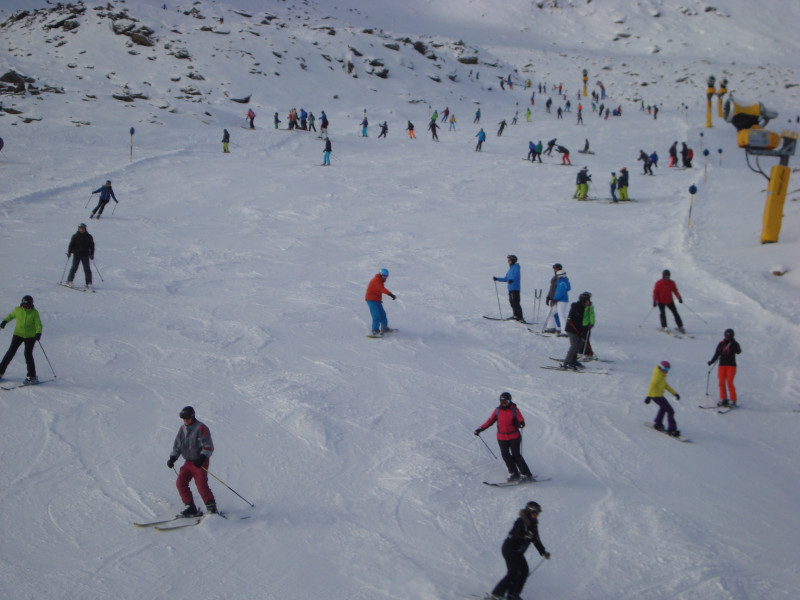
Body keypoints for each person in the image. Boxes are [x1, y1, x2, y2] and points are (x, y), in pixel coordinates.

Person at [487, 500, 550, 600]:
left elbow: (536, 539)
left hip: (519, 552)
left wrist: (543, 551)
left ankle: (513, 594)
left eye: (537, 514)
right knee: (513, 573)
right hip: (510, 549)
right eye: (535, 513)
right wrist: (524, 535)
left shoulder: (533, 525)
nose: (536, 516)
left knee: (524, 572)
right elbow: (514, 534)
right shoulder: (520, 522)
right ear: (529, 512)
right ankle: (496, 595)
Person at [167, 406, 217, 516]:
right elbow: (177, 446)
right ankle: (190, 506)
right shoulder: (182, 429)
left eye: (187, 418)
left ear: (192, 417)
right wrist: (173, 458)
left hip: (200, 462)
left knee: (201, 484)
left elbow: (208, 446)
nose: (185, 421)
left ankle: (211, 508)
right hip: (188, 462)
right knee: (180, 482)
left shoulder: (201, 428)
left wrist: (202, 457)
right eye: (183, 419)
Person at [474, 392, 533, 482]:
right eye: (502, 402)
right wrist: (480, 428)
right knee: (505, 455)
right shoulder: (497, 410)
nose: (504, 403)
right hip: (502, 437)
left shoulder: (514, 410)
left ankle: (526, 474)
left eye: (506, 402)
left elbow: (520, 418)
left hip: (514, 436)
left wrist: (521, 423)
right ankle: (513, 473)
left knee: (516, 455)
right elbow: (490, 421)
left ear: (509, 401)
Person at [0, 295, 42, 384]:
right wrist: (5, 321)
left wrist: (38, 333)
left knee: (27, 354)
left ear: (31, 305)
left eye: (27, 306)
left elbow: (38, 324)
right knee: (10, 353)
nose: (25, 307)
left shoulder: (34, 313)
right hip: (18, 334)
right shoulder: (17, 310)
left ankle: (32, 376)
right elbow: (11, 315)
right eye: (23, 305)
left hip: (30, 336)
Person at [644, 361, 681, 437]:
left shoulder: (661, 375)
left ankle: (658, 423)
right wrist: (648, 396)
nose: (666, 371)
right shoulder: (657, 375)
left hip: (658, 395)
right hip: (656, 396)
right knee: (670, 411)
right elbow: (652, 385)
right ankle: (672, 430)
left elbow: (666, 385)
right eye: (665, 368)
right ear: (660, 367)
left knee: (663, 408)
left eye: (667, 369)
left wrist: (674, 393)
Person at [708, 329, 742, 407]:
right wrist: (711, 361)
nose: (728, 337)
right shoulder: (721, 344)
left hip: (731, 366)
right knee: (721, 383)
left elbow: (739, 351)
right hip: (722, 365)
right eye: (727, 335)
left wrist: (734, 344)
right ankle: (723, 399)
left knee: (730, 383)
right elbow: (716, 354)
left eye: (730, 336)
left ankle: (733, 400)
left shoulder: (734, 343)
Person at [562, 292, 594, 369]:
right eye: (587, 301)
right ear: (583, 301)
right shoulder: (576, 307)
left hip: (580, 330)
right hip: (572, 329)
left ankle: (573, 360)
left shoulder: (586, 308)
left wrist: (589, 325)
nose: (588, 302)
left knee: (579, 345)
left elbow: (588, 318)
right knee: (574, 345)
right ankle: (567, 362)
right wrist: (578, 328)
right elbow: (572, 319)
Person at [365, 268, 396, 336]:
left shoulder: (380, 280)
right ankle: (375, 330)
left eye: (386, 276)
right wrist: (390, 294)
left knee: (383, 315)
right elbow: (381, 289)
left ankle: (384, 328)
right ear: (381, 274)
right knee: (376, 315)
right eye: (384, 276)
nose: (385, 277)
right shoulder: (377, 280)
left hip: (377, 300)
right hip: (371, 300)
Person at [494, 255, 523, 322]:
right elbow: (506, 279)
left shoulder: (516, 267)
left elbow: (516, 275)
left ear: (513, 260)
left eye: (509, 260)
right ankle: (515, 315)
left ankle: (519, 317)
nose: (508, 262)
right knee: (512, 302)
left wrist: (512, 279)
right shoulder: (510, 269)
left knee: (516, 302)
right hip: (510, 289)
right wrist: (497, 279)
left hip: (515, 288)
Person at [65, 223, 95, 290]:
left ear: (85, 229)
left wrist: (92, 254)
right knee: (74, 267)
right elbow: (71, 245)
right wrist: (69, 252)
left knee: (87, 269)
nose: (81, 230)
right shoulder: (75, 236)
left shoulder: (89, 237)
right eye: (80, 228)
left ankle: (88, 282)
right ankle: (69, 281)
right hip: (77, 254)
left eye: (83, 228)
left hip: (85, 255)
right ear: (78, 229)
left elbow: (92, 247)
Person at [542, 263, 562, 333]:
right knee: (553, 313)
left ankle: (555, 327)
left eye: (556, 268)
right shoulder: (554, 278)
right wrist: (548, 297)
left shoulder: (561, 278)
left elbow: (560, 290)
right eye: (554, 269)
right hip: (552, 299)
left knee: (551, 313)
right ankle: (554, 327)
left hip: (557, 300)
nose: (555, 270)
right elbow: (551, 289)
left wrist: (556, 298)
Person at [552, 270, 570, 336]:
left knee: (561, 315)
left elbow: (560, 293)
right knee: (551, 312)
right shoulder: (561, 282)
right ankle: (551, 327)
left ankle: (564, 331)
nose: (556, 277)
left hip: (562, 301)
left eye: (557, 276)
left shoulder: (562, 283)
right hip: (559, 301)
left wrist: (555, 298)